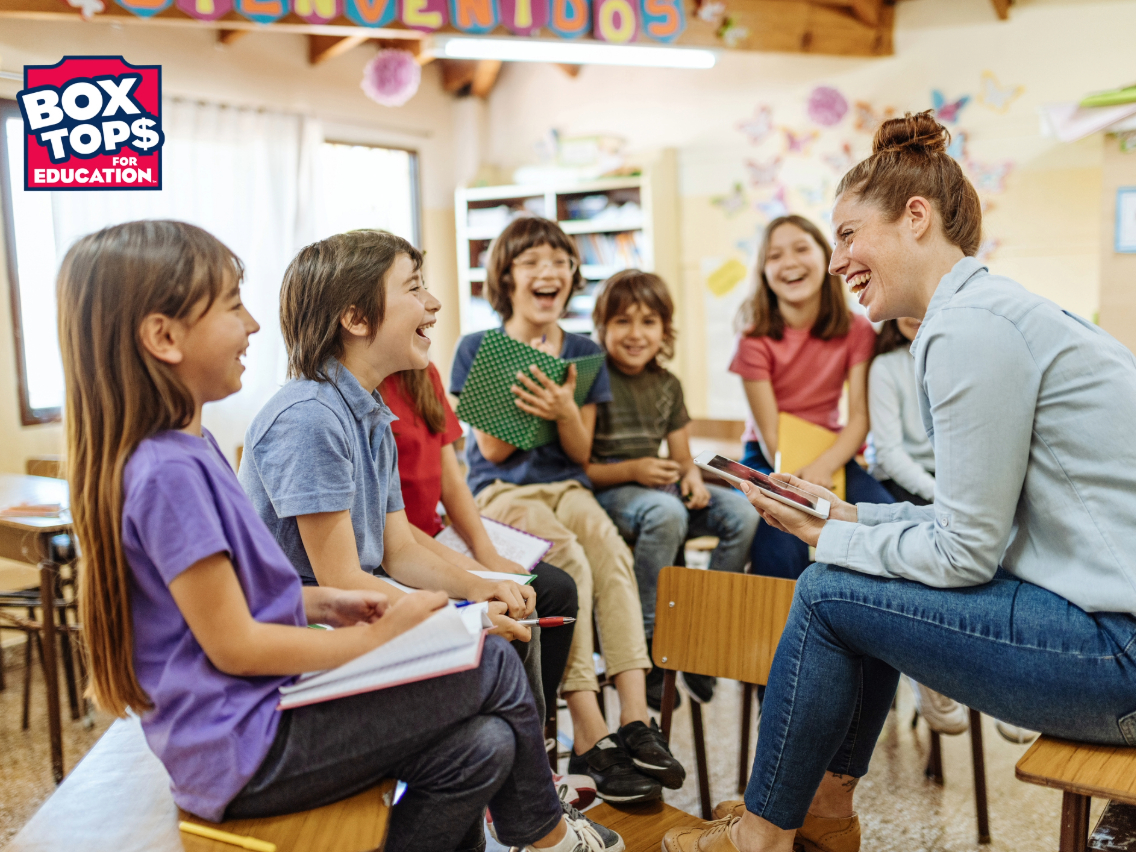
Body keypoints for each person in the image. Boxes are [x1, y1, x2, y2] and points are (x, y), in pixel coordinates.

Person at [62, 220, 621, 852]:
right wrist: (382, 636)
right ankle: (547, 839)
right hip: (242, 744)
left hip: (258, 716)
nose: (252, 325)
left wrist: (334, 604)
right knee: (487, 658)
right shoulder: (180, 466)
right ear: (163, 337)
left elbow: (234, 599)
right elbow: (236, 645)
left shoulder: (193, 449)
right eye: (232, 305)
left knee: (483, 746)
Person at [665, 111, 1136, 852]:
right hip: (1108, 626)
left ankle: (764, 832)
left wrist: (837, 540)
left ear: (915, 217)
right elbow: (972, 522)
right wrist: (847, 518)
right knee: (855, 584)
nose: (836, 259)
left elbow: (964, 553)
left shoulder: (967, 329)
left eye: (848, 234)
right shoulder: (991, 311)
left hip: (1121, 655)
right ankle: (819, 807)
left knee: (828, 590)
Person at [238, 231, 551, 724]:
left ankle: (533, 781)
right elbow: (341, 581)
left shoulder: (369, 412)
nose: (434, 302)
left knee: (514, 618)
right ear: (356, 318)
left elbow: (398, 549)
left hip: (361, 602)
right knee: (490, 653)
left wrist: (475, 588)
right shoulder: (309, 418)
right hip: (315, 633)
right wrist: (459, 619)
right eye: (414, 288)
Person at [451, 216, 686, 804]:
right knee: (571, 561)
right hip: (504, 494)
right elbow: (491, 451)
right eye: (532, 262)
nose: (548, 271)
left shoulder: (584, 352)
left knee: (610, 553)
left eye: (559, 261)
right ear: (506, 277)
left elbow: (580, 451)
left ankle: (635, 717)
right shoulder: (478, 348)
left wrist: (564, 409)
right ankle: (590, 728)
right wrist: (538, 397)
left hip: (568, 485)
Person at [585, 269, 758, 708]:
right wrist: (635, 469)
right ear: (602, 327)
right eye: (622, 321)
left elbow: (683, 457)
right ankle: (647, 646)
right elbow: (582, 469)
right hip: (613, 493)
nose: (636, 333)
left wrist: (693, 477)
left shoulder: (668, 384)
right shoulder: (592, 377)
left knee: (742, 512)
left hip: (658, 487)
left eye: (648, 322)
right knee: (668, 515)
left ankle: (701, 634)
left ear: (664, 330)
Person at [379, 363, 579, 731]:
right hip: (403, 545)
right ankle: (523, 743)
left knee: (557, 589)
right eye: (414, 299)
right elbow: (392, 534)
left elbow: (453, 484)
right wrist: (477, 574)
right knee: (512, 608)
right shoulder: (364, 392)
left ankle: (539, 735)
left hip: (434, 535)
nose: (431, 304)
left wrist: (487, 555)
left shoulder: (424, 374)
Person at [869, 317, 1037, 744]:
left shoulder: (974, 356)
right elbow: (889, 453)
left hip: (961, 476)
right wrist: (941, 492)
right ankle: (927, 672)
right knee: (923, 545)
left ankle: (1010, 689)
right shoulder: (886, 367)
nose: (916, 314)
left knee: (1008, 544)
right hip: (908, 482)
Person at [728, 214, 893, 581]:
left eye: (801, 249)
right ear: (763, 272)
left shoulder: (856, 330)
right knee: (781, 538)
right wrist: (799, 478)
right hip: (772, 457)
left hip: (832, 454)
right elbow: (771, 436)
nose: (789, 262)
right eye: (774, 256)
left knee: (882, 521)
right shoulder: (753, 338)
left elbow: (860, 418)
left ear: (827, 257)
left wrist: (825, 465)